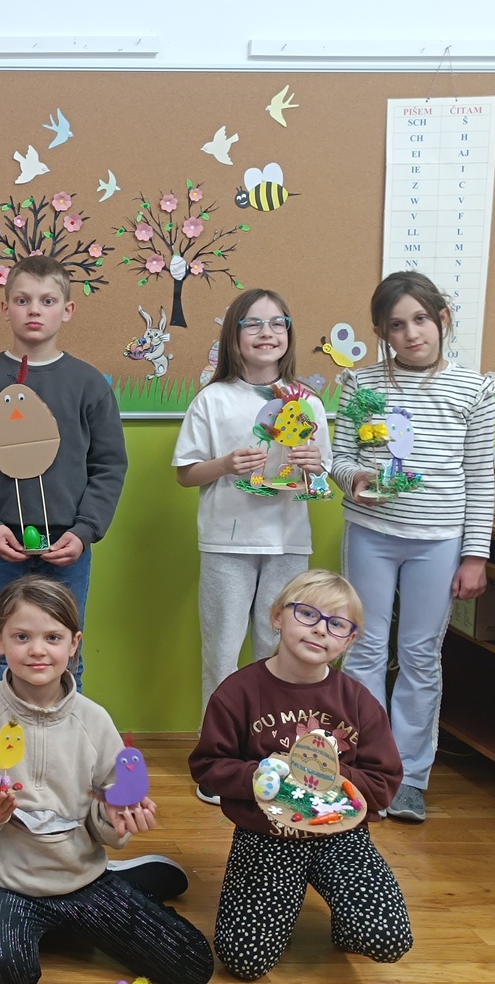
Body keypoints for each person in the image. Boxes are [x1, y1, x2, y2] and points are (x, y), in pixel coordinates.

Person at [0, 575, 212, 984]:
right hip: (0, 884)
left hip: (80, 878)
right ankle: (51, 925)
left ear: (74, 643)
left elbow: (108, 808)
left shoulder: (94, 721)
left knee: (192, 964)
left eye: (52, 637)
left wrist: (116, 815)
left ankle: (115, 887)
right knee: (2, 972)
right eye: (22, 637)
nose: (37, 650)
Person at [188, 570, 412, 979]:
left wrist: (327, 776)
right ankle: (286, 899)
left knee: (387, 937)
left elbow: (384, 782)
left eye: (337, 624)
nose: (320, 629)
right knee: (244, 960)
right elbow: (207, 766)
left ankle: (344, 917)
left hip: (341, 837)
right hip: (267, 837)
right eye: (307, 614)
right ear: (277, 617)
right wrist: (259, 775)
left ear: (349, 640)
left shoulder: (357, 701)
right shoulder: (238, 692)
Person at [330, 270, 495, 822]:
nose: (411, 334)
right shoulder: (360, 384)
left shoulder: (474, 389)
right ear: (382, 332)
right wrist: (354, 478)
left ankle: (409, 777)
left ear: (441, 319)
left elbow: (480, 477)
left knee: (421, 655)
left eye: (421, 319)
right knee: (364, 650)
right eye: (397, 325)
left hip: (439, 541)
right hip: (371, 534)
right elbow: (340, 457)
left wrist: (475, 555)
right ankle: (365, 769)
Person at [173, 289, 331, 803]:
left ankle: (273, 758)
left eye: (277, 323)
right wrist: (226, 465)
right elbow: (185, 473)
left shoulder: (307, 402)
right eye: (254, 324)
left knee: (279, 651)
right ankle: (217, 762)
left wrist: (313, 468)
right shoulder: (213, 399)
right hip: (227, 542)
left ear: (288, 334)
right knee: (222, 651)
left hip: (288, 543)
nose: (267, 333)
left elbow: (320, 480)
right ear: (233, 337)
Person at [0, 257, 127, 689]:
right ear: (5, 307)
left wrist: (84, 531)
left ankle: (62, 734)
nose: (34, 310)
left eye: (47, 301)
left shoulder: (88, 384)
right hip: (0, 543)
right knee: (0, 651)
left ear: (67, 309)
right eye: (22, 300)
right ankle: (3, 735)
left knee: (64, 652)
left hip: (67, 546)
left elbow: (108, 465)